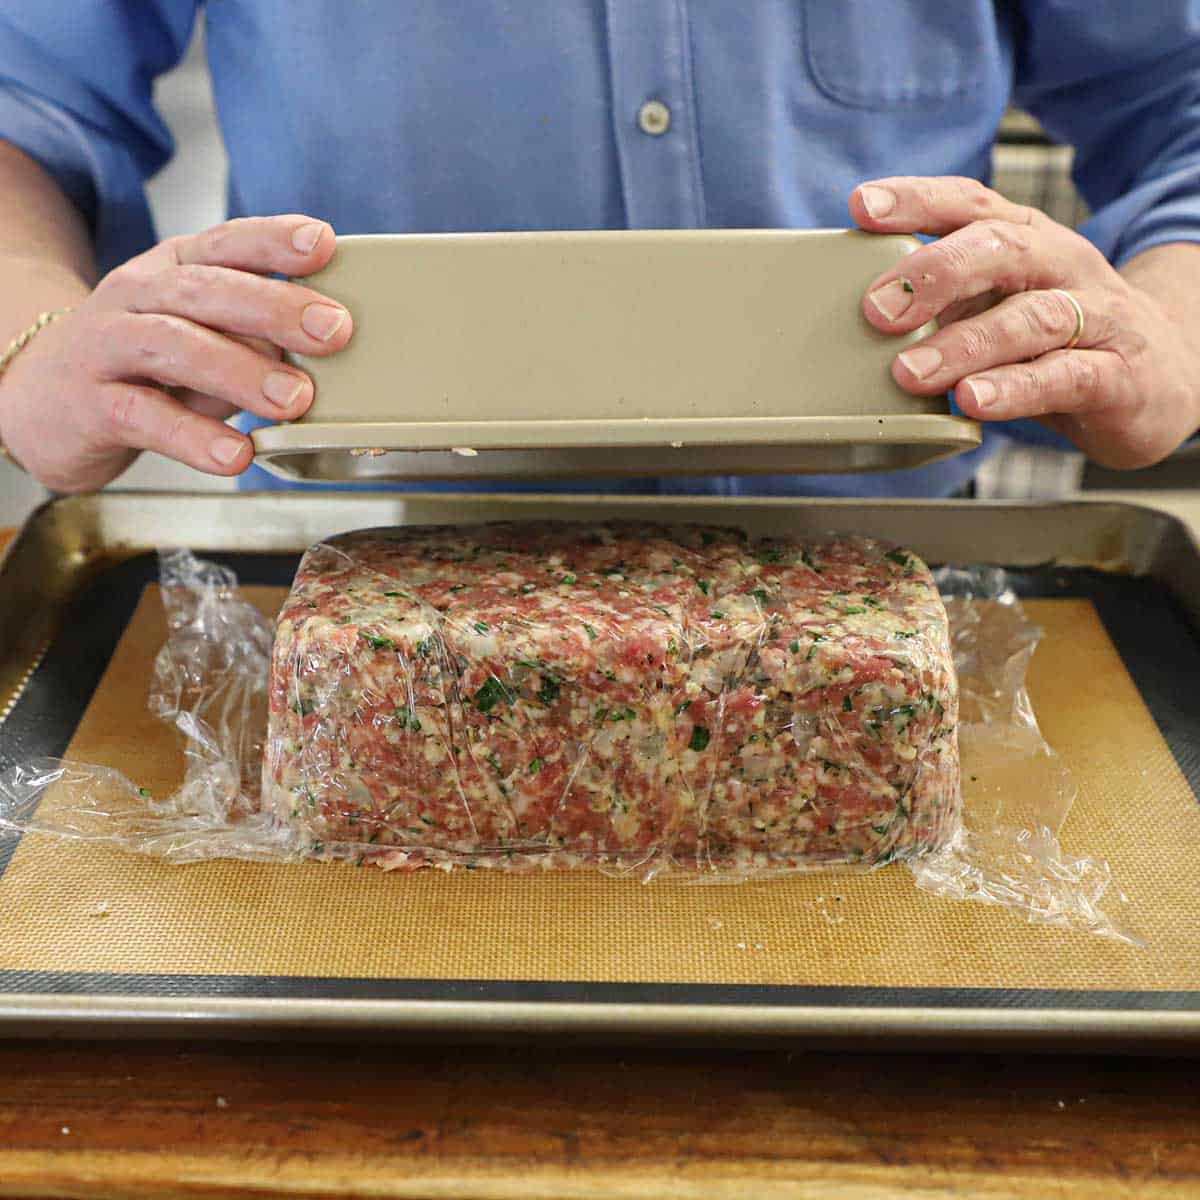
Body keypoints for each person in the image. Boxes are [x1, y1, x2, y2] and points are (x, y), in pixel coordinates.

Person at [0, 3, 1197, 499]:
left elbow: (1181, 103)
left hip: (902, 595)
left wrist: (1170, 335)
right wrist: (32, 342)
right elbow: (22, 106)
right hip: (337, 602)